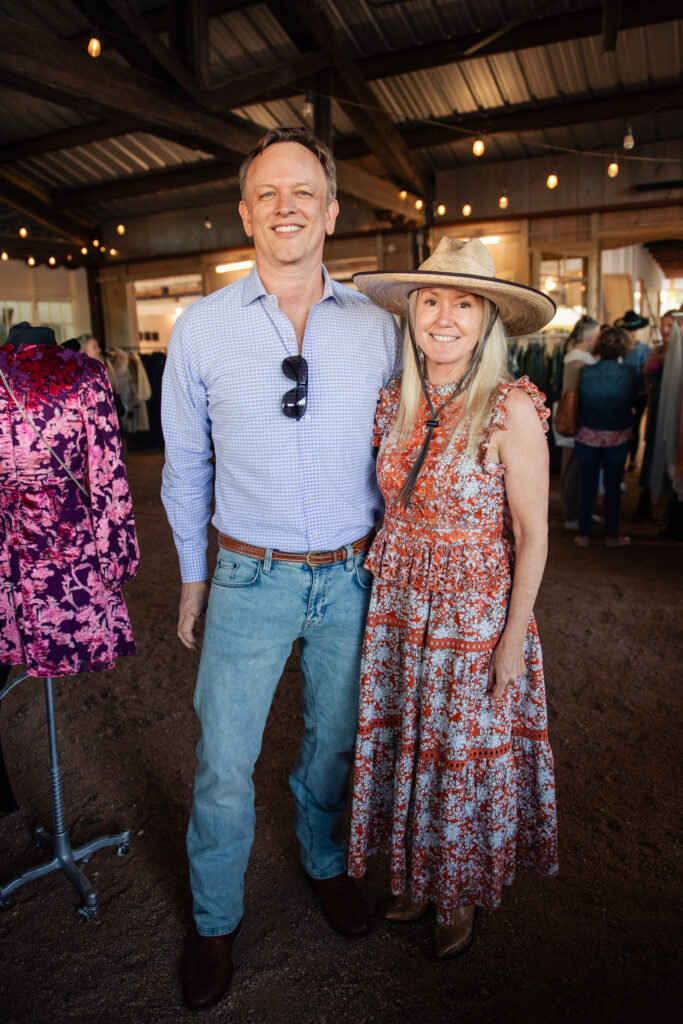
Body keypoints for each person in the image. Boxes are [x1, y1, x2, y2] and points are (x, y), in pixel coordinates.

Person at [161, 126, 401, 1010]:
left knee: (335, 743)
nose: (285, 206)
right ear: (244, 213)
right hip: (247, 577)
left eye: (304, 191)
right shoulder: (202, 328)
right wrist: (194, 579)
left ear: (331, 212)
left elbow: (405, 451)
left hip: (352, 575)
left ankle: (324, 862)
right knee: (224, 761)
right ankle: (214, 920)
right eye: (268, 192)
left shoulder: (378, 328)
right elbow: (185, 467)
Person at [347, 237, 559, 958]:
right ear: (411, 313)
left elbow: (532, 535)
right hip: (399, 608)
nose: (444, 317)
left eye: (463, 304)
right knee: (410, 743)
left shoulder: (509, 407)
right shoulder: (393, 403)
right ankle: (416, 875)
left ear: (486, 320)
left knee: (458, 754)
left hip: (473, 615)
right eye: (431, 301)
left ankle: (458, 892)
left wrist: (511, 641)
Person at [574, 327, 637, 547]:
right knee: (613, 487)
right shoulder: (630, 372)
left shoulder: (586, 371)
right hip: (617, 436)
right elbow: (636, 402)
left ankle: (583, 534)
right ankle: (611, 535)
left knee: (587, 485)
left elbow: (580, 402)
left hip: (588, 435)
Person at [556, 315, 599, 528]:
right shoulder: (576, 361)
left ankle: (581, 511)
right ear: (588, 337)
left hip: (581, 418)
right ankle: (571, 514)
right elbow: (572, 395)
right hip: (575, 419)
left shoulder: (579, 357)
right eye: (597, 335)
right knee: (572, 468)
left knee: (579, 467)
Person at [616, 311, 650, 471]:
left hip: (639, 394)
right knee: (622, 426)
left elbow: (646, 374)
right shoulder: (620, 349)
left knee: (635, 427)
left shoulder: (643, 349)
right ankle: (622, 457)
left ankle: (633, 458)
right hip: (622, 394)